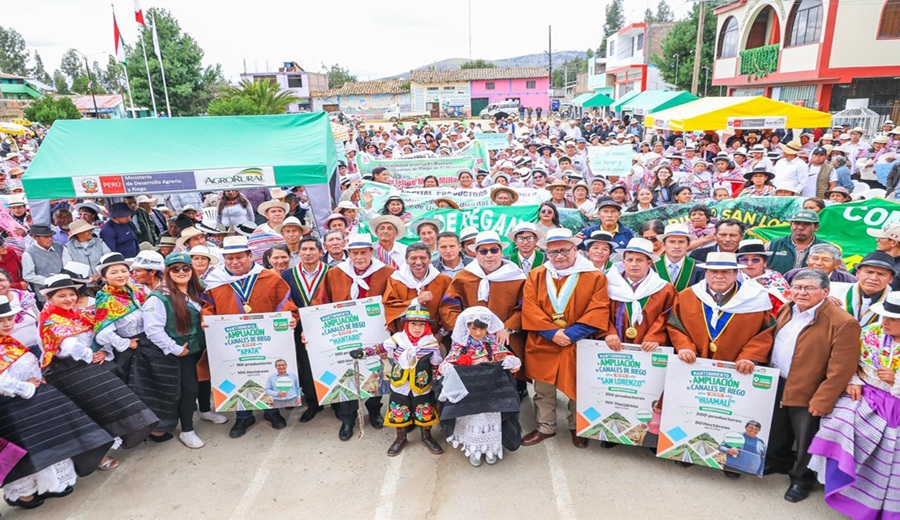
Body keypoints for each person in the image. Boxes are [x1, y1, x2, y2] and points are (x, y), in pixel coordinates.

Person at [0, 294, 114, 510]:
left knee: (47, 443)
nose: (6, 324)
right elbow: (3, 383)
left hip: (30, 402)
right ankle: (23, 494)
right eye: (0, 321)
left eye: (8, 319)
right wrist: (28, 387)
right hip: (12, 408)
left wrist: (34, 380)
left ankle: (52, 485)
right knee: (32, 448)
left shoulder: (7, 341)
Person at [38, 274, 159, 463]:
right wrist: (91, 355)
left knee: (114, 399)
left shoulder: (77, 314)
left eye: (71, 294)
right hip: (68, 371)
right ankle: (100, 456)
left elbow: (97, 332)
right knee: (95, 411)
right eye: (62, 296)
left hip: (88, 365)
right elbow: (70, 347)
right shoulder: (50, 321)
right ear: (49, 298)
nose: (69, 299)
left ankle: (127, 436)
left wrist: (102, 351)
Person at [767, 269, 861, 503]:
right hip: (779, 380)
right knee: (778, 429)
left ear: (825, 291)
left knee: (806, 439)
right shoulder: (787, 308)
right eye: (797, 287)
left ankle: (802, 479)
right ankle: (778, 462)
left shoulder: (842, 322)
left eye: (809, 288)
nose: (801, 292)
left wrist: (823, 400)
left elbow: (842, 368)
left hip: (810, 390)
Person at [807, 291, 900, 517]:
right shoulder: (870, 333)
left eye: (893, 319)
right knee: (840, 423)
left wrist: (896, 380)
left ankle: (874, 501)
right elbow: (849, 360)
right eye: (884, 316)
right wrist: (853, 380)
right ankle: (837, 484)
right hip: (865, 394)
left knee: (890, 448)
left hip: (895, 403)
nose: (885, 322)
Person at [202, 236, 299, 438]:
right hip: (233, 341)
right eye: (229, 258)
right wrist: (207, 321)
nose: (235, 262)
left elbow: (285, 304)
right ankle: (243, 416)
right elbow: (207, 308)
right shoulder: (214, 282)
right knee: (238, 374)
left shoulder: (269, 278)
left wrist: (291, 318)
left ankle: (271, 411)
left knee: (267, 371)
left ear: (250, 256)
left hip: (266, 340)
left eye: (239, 257)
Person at [521, 228, 609, 448]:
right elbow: (529, 307)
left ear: (575, 249)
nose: (559, 256)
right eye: (553, 252)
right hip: (544, 341)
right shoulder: (537, 274)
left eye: (564, 250)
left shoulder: (594, 276)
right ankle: (545, 427)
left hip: (578, 342)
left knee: (578, 388)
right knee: (543, 389)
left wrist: (570, 335)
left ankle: (577, 427)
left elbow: (598, 308)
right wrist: (552, 333)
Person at [311, 234, 394, 440]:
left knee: (375, 373)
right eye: (354, 253)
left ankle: (374, 411)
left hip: (375, 337)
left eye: (363, 252)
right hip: (344, 336)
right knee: (347, 375)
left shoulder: (387, 273)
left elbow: (394, 301)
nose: (359, 257)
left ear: (371, 252)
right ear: (348, 254)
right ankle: (348, 419)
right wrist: (312, 328)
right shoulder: (335, 274)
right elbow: (321, 302)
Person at [440, 231, 527, 397]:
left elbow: (525, 307)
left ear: (501, 252)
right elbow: (448, 306)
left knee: (510, 383)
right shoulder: (464, 277)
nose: (489, 255)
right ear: (476, 253)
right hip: (471, 341)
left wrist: (507, 328)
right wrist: (464, 331)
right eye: (483, 251)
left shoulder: (517, 277)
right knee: (476, 384)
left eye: (494, 250)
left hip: (506, 338)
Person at [350, 305, 443, 457]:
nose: (417, 328)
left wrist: (437, 381)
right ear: (406, 324)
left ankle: (427, 437)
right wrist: (363, 352)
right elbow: (381, 348)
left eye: (421, 324)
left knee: (424, 411)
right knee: (399, 410)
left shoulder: (431, 343)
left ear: (427, 326)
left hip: (422, 385)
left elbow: (435, 364)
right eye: (413, 324)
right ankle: (401, 438)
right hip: (400, 385)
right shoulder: (398, 339)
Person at [142, 253, 211, 449]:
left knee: (205, 381)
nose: (181, 272)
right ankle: (187, 430)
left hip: (201, 347)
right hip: (182, 352)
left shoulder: (199, 290)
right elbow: (152, 329)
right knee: (190, 390)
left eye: (185, 268)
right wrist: (175, 349)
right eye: (175, 268)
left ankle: (205, 411)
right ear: (167, 271)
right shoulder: (158, 297)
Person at [438, 306, 521, 467]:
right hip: (471, 394)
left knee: (491, 418)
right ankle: (474, 450)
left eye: (482, 329)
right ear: (467, 326)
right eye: (473, 328)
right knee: (472, 420)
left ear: (487, 328)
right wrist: (447, 368)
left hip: (491, 391)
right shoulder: (460, 345)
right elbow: (448, 361)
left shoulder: (492, 342)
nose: (477, 333)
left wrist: (510, 361)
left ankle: (492, 448)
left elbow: (505, 356)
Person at [666, 252, 775, 371]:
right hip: (692, 365)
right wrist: (684, 346)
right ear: (706, 273)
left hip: (737, 370)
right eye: (713, 271)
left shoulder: (754, 299)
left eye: (725, 272)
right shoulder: (687, 296)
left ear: (736, 273)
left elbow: (765, 333)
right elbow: (675, 325)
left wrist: (749, 356)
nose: (719, 276)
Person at [281, 236, 330, 423]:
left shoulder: (331, 272)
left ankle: (336, 402)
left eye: (312, 249)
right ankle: (313, 403)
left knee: (329, 361)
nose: (308, 253)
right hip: (299, 327)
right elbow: (285, 301)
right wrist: (294, 318)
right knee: (307, 365)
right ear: (298, 252)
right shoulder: (287, 275)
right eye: (304, 250)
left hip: (326, 325)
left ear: (320, 252)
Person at [604, 238, 676, 353]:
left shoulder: (664, 289)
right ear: (623, 262)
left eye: (639, 260)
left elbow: (669, 317)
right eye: (629, 260)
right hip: (612, 348)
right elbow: (599, 311)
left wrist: (655, 337)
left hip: (648, 350)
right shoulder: (608, 284)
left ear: (649, 263)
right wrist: (608, 332)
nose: (633, 265)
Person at [735, 239, 792, 314]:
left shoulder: (775, 279)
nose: (749, 263)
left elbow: (784, 308)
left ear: (765, 262)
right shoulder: (733, 277)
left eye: (755, 260)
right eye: (744, 260)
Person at [766, 210, 826, 275]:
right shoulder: (773, 245)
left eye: (806, 224)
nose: (800, 227)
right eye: (797, 223)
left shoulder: (825, 249)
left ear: (816, 227)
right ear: (791, 225)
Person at [22, 225, 63, 305]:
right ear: (35, 237)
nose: (50, 239)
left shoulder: (59, 247)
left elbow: (67, 265)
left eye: (50, 236)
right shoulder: (29, 253)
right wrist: (49, 281)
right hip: (44, 292)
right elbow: (28, 275)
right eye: (45, 237)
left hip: (64, 287)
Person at [654, 224, 703, 292]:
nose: (676, 246)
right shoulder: (652, 267)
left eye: (681, 242)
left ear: (688, 245)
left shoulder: (700, 268)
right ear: (663, 245)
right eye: (672, 242)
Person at [785, 243, 857, 284]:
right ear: (807, 260)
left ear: (837, 264)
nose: (818, 263)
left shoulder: (848, 280)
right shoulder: (792, 275)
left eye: (825, 260)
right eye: (815, 258)